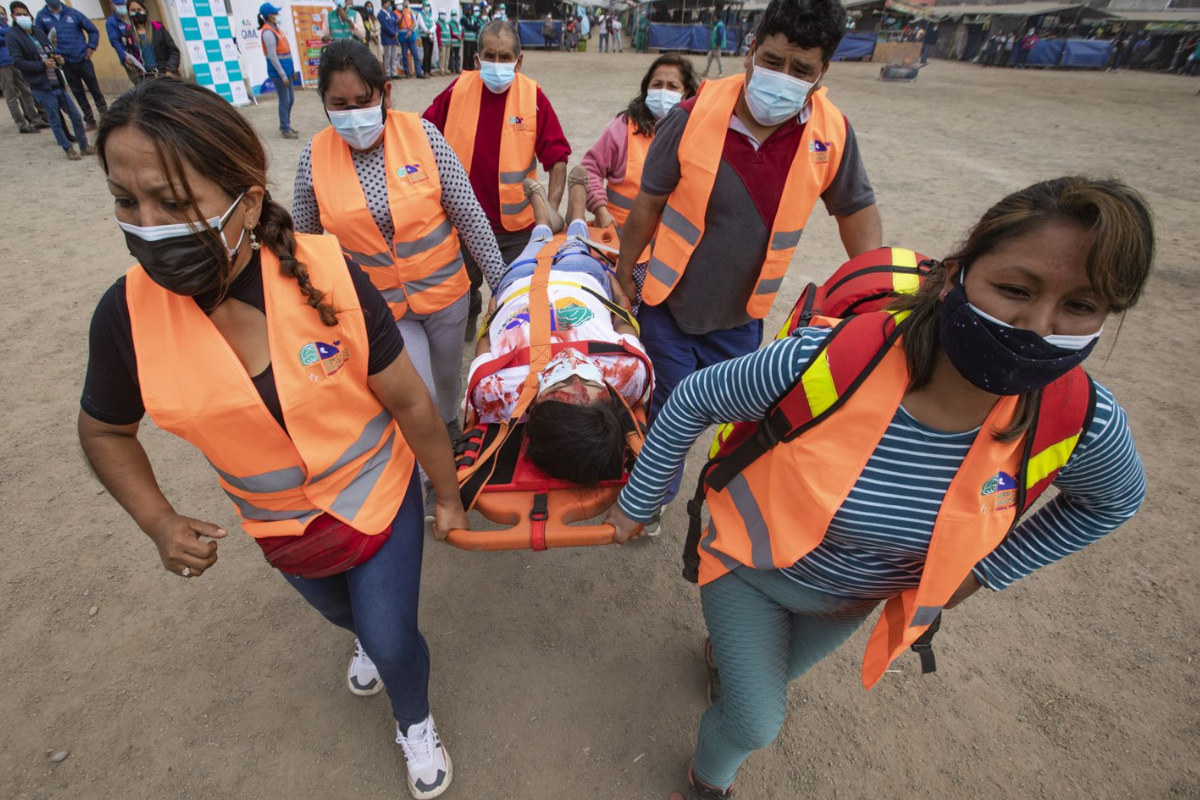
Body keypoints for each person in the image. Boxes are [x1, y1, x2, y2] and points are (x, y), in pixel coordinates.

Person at [606, 176, 1154, 800]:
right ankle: (708, 785)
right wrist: (637, 502)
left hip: (851, 602)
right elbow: (696, 399)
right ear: (955, 276)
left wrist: (988, 570)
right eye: (1014, 289)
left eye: (1080, 307)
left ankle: (722, 661)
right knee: (756, 721)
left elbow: (1112, 500)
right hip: (747, 571)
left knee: (758, 685)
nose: (1037, 326)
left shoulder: (1082, 420)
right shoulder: (830, 359)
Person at [81, 77, 465, 800]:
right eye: (125, 201)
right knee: (343, 617)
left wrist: (445, 496)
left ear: (247, 202)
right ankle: (364, 637)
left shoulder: (326, 273)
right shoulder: (124, 317)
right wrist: (157, 520)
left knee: (389, 639)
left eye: (172, 200)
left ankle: (413, 719)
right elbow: (104, 428)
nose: (147, 224)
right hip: (285, 534)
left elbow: (412, 401)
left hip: (379, 506)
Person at [614, 0, 881, 516]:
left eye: (801, 69)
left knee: (738, 420)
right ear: (751, 51)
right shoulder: (691, 117)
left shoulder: (832, 133)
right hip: (670, 306)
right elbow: (647, 203)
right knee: (669, 411)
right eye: (774, 60)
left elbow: (856, 211)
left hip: (742, 320)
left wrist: (878, 289)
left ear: (822, 72)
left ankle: (709, 498)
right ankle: (650, 500)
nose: (783, 76)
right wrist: (624, 273)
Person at [293, 41, 506, 518]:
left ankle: (450, 434)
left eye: (364, 102)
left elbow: (469, 215)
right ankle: (437, 478)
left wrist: (502, 281)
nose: (353, 115)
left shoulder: (424, 136)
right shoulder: (314, 158)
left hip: (447, 294)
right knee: (420, 392)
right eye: (340, 106)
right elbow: (303, 240)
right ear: (324, 104)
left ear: (385, 94)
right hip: (382, 309)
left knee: (449, 385)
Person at [468, 170, 651, 484]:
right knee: (578, 245)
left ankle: (543, 214)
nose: (574, 372)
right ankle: (577, 209)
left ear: (537, 414)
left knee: (536, 242)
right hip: (581, 281)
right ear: (610, 405)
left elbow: (483, 347)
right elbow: (623, 320)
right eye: (591, 390)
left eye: (562, 390)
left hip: (521, 285)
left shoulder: (494, 392)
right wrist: (615, 288)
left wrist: (493, 312)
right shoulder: (629, 374)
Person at [423, 20, 572, 339]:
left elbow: (557, 158)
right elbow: (421, 138)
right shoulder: (455, 92)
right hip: (461, 224)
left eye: (505, 57)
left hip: (516, 228)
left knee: (518, 291)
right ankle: (467, 323)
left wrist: (550, 211)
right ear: (476, 60)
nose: (497, 63)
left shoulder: (533, 97)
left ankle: (512, 341)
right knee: (461, 289)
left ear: (519, 61)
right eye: (489, 55)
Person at [584, 53, 700, 236]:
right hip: (618, 241)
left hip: (668, 247)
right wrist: (600, 209)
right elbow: (589, 169)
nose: (663, 91)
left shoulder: (696, 134)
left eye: (672, 86)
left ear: (685, 93)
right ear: (647, 88)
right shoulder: (622, 128)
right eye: (657, 84)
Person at [7, 1, 90, 159]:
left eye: (25, 14)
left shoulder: (38, 32)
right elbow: (18, 62)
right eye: (19, 15)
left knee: (75, 116)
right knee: (55, 120)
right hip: (41, 86)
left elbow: (50, 51)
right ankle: (68, 149)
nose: (23, 17)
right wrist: (42, 65)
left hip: (57, 82)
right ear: (13, 16)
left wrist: (57, 59)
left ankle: (84, 145)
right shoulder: (13, 37)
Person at [34, 0, 105, 131]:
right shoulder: (41, 17)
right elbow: (39, 38)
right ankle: (90, 120)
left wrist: (91, 47)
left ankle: (106, 118)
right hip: (65, 63)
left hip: (83, 59)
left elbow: (93, 30)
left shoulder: (73, 13)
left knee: (95, 90)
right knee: (78, 93)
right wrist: (52, 55)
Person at [0, 5, 45, 134]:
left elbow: (11, 35)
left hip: (15, 62)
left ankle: (35, 119)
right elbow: (8, 36)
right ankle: (22, 124)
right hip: (2, 65)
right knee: (11, 95)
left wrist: (3, 28)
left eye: (3, 14)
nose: (1, 16)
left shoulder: (7, 28)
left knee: (26, 91)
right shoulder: (7, 29)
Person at [259, 3, 298, 139]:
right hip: (279, 74)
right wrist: (283, 76)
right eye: (275, 13)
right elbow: (273, 57)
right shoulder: (268, 32)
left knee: (290, 99)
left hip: (287, 71)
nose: (277, 15)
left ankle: (286, 124)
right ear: (269, 16)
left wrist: (292, 71)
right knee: (284, 100)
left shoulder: (276, 30)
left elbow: (286, 52)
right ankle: (285, 128)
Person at [126, 0, 180, 77]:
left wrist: (170, 70)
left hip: (165, 73)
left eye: (139, 10)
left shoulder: (158, 28)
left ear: (145, 10)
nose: (137, 13)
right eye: (133, 10)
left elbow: (174, 52)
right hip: (146, 77)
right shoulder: (128, 34)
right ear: (129, 12)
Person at [105, 0, 144, 85]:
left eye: (122, 4)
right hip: (130, 58)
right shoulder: (112, 22)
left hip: (142, 53)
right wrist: (124, 57)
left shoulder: (132, 16)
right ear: (113, 5)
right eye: (118, 5)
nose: (121, 7)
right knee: (140, 84)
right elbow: (115, 41)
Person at [396, 1, 424, 78]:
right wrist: (402, 16)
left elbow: (414, 23)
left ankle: (418, 72)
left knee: (415, 54)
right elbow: (397, 24)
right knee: (404, 55)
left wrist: (410, 30)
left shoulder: (408, 11)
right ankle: (407, 73)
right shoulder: (395, 13)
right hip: (402, 36)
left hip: (411, 35)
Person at [378, 0, 399, 77]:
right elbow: (384, 26)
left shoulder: (392, 14)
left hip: (394, 39)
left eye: (390, 4)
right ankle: (387, 73)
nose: (389, 5)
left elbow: (396, 24)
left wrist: (396, 32)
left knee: (394, 56)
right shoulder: (380, 15)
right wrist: (393, 33)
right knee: (388, 57)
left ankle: (394, 72)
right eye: (388, 4)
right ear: (383, 4)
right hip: (387, 38)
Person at [416, 1, 434, 76]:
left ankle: (429, 70)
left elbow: (434, 25)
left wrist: (430, 32)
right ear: (423, 7)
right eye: (426, 6)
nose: (428, 7)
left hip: (430, 36)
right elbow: (421, 24)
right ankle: (425, 71)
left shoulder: (430, 14)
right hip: (424, 36)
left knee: (430, 53)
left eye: (429, 6)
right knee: (426, 54)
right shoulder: (420, 15)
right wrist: (427, 31)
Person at [461, 4, 480, 69]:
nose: (468, 11)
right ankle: (466, 68)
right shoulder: (463, 18)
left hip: (473, 39)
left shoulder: (472, 18)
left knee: (472, 55)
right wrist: (473, 27)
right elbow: (468, 27)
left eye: (469, 10)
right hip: (467, 39)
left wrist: (473, 27)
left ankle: (471, 68)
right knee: (466, 55)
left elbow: (476, 27)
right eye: (467, 10)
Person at [436, 10, 450, 75]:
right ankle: (442, 70)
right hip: (442, 43)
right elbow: (438, 34)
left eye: (443, 14)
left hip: (448, 43)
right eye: (441, 14)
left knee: (447, 57)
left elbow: (449, 33)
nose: (442, 15)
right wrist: (439, 43)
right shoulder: (438, 23)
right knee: (442, 57)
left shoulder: (446, 23)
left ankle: (446, 69)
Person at [448, 9, 461, 73]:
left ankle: (457, 68)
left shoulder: (458, 23)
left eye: (455, 15)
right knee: (452, 56)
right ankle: (452, 68)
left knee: (457, 56)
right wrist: (457, 37)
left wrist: (461, 36)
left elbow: (462, 31)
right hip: (453, 42)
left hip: (458, 43)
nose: (454, 16)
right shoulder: (449, 23)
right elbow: (450, 33)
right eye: (453, 15)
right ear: (450, 16)